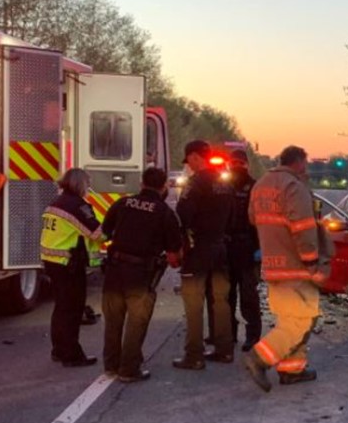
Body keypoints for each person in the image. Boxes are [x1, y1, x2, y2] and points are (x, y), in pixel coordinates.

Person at [242, 145, 332, 391]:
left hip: (273, 265)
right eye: (306, 163)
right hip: (296, 267)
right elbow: (303, 228)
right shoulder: (294, 187)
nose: (308, 168)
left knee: (290, 319)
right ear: (299, 162)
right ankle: (259, 358)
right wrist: (312, 261)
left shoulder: (261, 185)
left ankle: (292, 369)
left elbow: (252, 218)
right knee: (300, 322)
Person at [100, 168, 182, 382]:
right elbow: (174, 256)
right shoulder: (165, 213)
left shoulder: (122, 203)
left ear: (141, 183)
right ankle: (128, 370)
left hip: (114, 270)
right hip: (141, 275)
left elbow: (105, 232)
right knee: (137, 322)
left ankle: (111, 365)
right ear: (164, 186)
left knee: (113, 320)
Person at [174, 140, 235, 370]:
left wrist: (179, 244)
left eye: (189, 160)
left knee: (194, 302)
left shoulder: (196, 182)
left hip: (198, 248)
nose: (188, 165)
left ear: (196, 157)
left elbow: (182, 215)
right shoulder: (224, 182)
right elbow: (232, 216)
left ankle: (194, 355)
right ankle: (224, 350)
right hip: (220, 248)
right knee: (221, 301)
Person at [40, 168, 104, 367]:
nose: (89, 186)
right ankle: (71, 355)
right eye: (87, 182)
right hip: (69, 264)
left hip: (52, 262)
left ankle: (58, 350)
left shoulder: (56, 202)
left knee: (61, 307)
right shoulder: (77, 206)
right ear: (80, 183)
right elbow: (97, 234)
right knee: (72, 310)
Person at [225, 149, 261, 351]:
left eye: (241, 163)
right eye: (234, 162)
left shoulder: (255, 187)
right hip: (228, 248)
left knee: (249, 296)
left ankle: (253, 336)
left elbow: (260, 221)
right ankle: (228, 333)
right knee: (226, 296)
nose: (237, 166)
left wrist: (259, 249)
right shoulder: (223, 186)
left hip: (249, 248)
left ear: (247, 165)